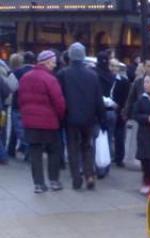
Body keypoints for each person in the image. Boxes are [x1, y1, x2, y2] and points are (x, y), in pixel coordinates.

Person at [57, 42, 107, 190]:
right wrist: (102, 117)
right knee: (87, 147)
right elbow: (99, 99)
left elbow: (59, 98)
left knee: (72, 148)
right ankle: (89, 175)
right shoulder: (93, 75)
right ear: (84, 56)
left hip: (70, 117)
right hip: (89, 118)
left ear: (71, 56)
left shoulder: (63, 74)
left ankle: (76, 178)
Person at [18, 50, 66, 193]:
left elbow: (21, 100)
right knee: (54, 151)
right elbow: (59, 102)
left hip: (31, 123)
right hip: (49, 122)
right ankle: (54, 181)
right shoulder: (50, 79)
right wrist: (60, 116)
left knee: (35, 153)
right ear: (46, 62)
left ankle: (38, 184)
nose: (54, 65)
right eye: (53, 62)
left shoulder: (25, 77)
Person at [11, 51, 35, 161]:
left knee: (16, 128)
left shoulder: (17, 72)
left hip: (18, 103)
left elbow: (12, 86)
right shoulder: (36, 72)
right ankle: (28, 152)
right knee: (29, 128)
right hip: (31, 104)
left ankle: (12, 149)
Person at [96, 50, 116, 176]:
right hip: (111, 110)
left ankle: (99, 165)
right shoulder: (112, 76)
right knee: (109, 138)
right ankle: (107, 163)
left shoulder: (93, 74)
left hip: (98, 111)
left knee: (98, 139)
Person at [109, 58, 130, 167]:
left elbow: (127, 97)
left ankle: (119, 158)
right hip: (107, 111)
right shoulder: (105, 79)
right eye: (112, 65)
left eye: (116, 66)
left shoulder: (124, 81)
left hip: (119, 111)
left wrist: (123, 110)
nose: (113, 68)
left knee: (119, 136)